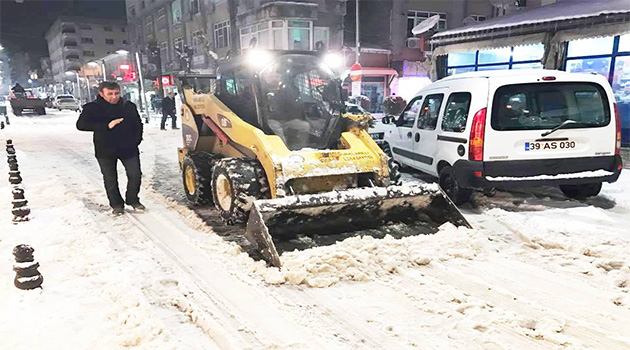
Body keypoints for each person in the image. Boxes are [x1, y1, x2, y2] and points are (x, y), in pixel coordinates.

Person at [76, 81, 145, 215]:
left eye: (116, 93)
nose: (114, 97)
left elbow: (138, 124)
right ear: (102, 94)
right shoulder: (92, 108)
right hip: (105, 149)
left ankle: (132, 199)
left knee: (135, 175)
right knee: (110, 178)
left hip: (128, 148)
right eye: (110, 94)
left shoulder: (128, 106)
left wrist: (136, 140)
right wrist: (107, 125)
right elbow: (81, 125)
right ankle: (117, 205)